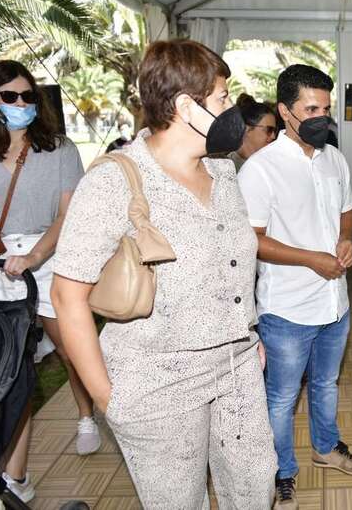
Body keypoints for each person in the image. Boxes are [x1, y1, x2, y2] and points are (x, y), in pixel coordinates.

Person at [50, 39, 277, 508]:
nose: (231, 108)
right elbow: (66, 296)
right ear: (185, 106)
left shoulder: (223, 170)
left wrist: (248, 335)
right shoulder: (114, 181)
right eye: (222, 98)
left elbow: (233, 265)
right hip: (157, 380)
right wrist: (108, 400)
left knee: (256, 487)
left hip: (236, 369)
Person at [238, 64, 352, 510]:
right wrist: (312, 258)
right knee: (281, 397)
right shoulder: (259, 169)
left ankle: (326, 447)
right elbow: (252, 239)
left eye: (325, 108)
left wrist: (345, 239)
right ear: (285, 111)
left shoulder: (334, 157)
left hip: (335, 303)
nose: (321, 117)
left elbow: (346, 212)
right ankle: (281, 473)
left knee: (327, 383)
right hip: (287, 308)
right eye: (310, 108)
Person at [0, 60, 91, 502]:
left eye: (28, 96)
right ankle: (14, 477)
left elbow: (67, 214)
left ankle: (92, 414)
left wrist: (36, 255)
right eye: (10, 97)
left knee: (80, 353)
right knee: (7, 376)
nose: (21, 104)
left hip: (49, 259)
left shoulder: (59, 149)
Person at [227, 93, 277, 171]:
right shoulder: (227, 168)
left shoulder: (273, 163)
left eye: (275, 130)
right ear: (247, 129)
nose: (273, 136)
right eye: (269, 130)